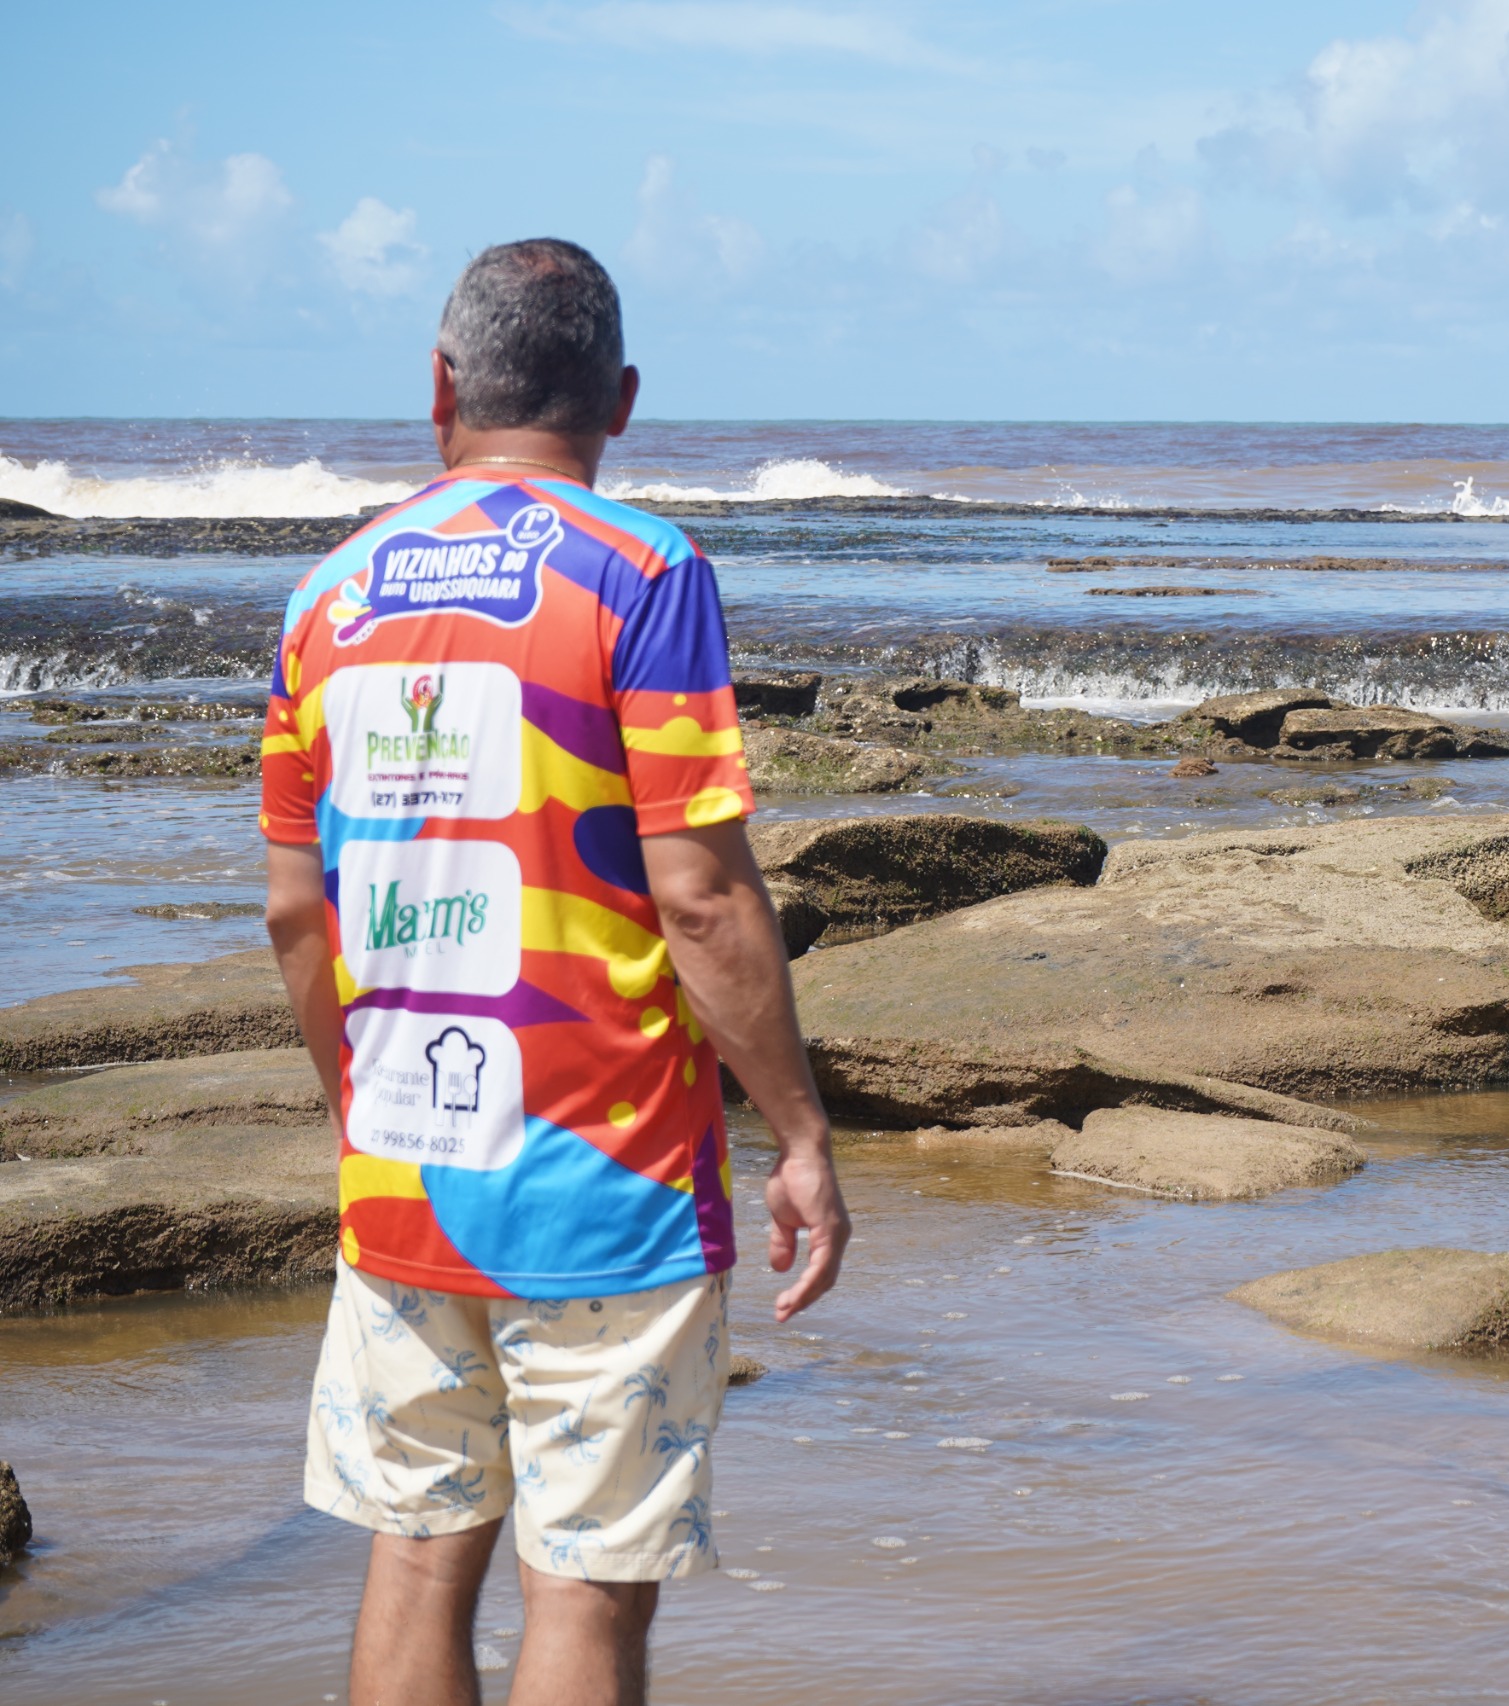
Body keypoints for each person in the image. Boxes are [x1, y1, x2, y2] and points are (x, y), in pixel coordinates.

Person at [260, 237, 849, 1706]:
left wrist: (359, 1106)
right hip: (608, 1180)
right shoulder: (642, 572)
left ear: (443, 385)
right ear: (622, 399)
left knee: (413, 1557)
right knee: (582, 1593)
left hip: (402, 1167)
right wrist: (801, 1130)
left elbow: (294, 915)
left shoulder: (324, 598)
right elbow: (701, 896)